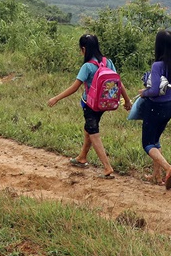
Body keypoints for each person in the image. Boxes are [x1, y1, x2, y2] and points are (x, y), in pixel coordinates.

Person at [48, 34, 132, 179]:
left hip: (91, 105)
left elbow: (75, 87)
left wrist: (56, 98)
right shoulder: (108, 62)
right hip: (105, 104)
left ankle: (107, 167)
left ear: (84, 49)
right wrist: (127, 100)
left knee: (93, 132)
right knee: (89, 128)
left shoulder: (87, 66)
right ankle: (82, 158)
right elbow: (119, 83)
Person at [137, 30, 171, 189]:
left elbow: (154, 90)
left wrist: (144, 93)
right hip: (168, 106)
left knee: (147, 143)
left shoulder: (157, 66)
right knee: (156, 140)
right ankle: (157, 175)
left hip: (155, 107)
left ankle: (167, 168)